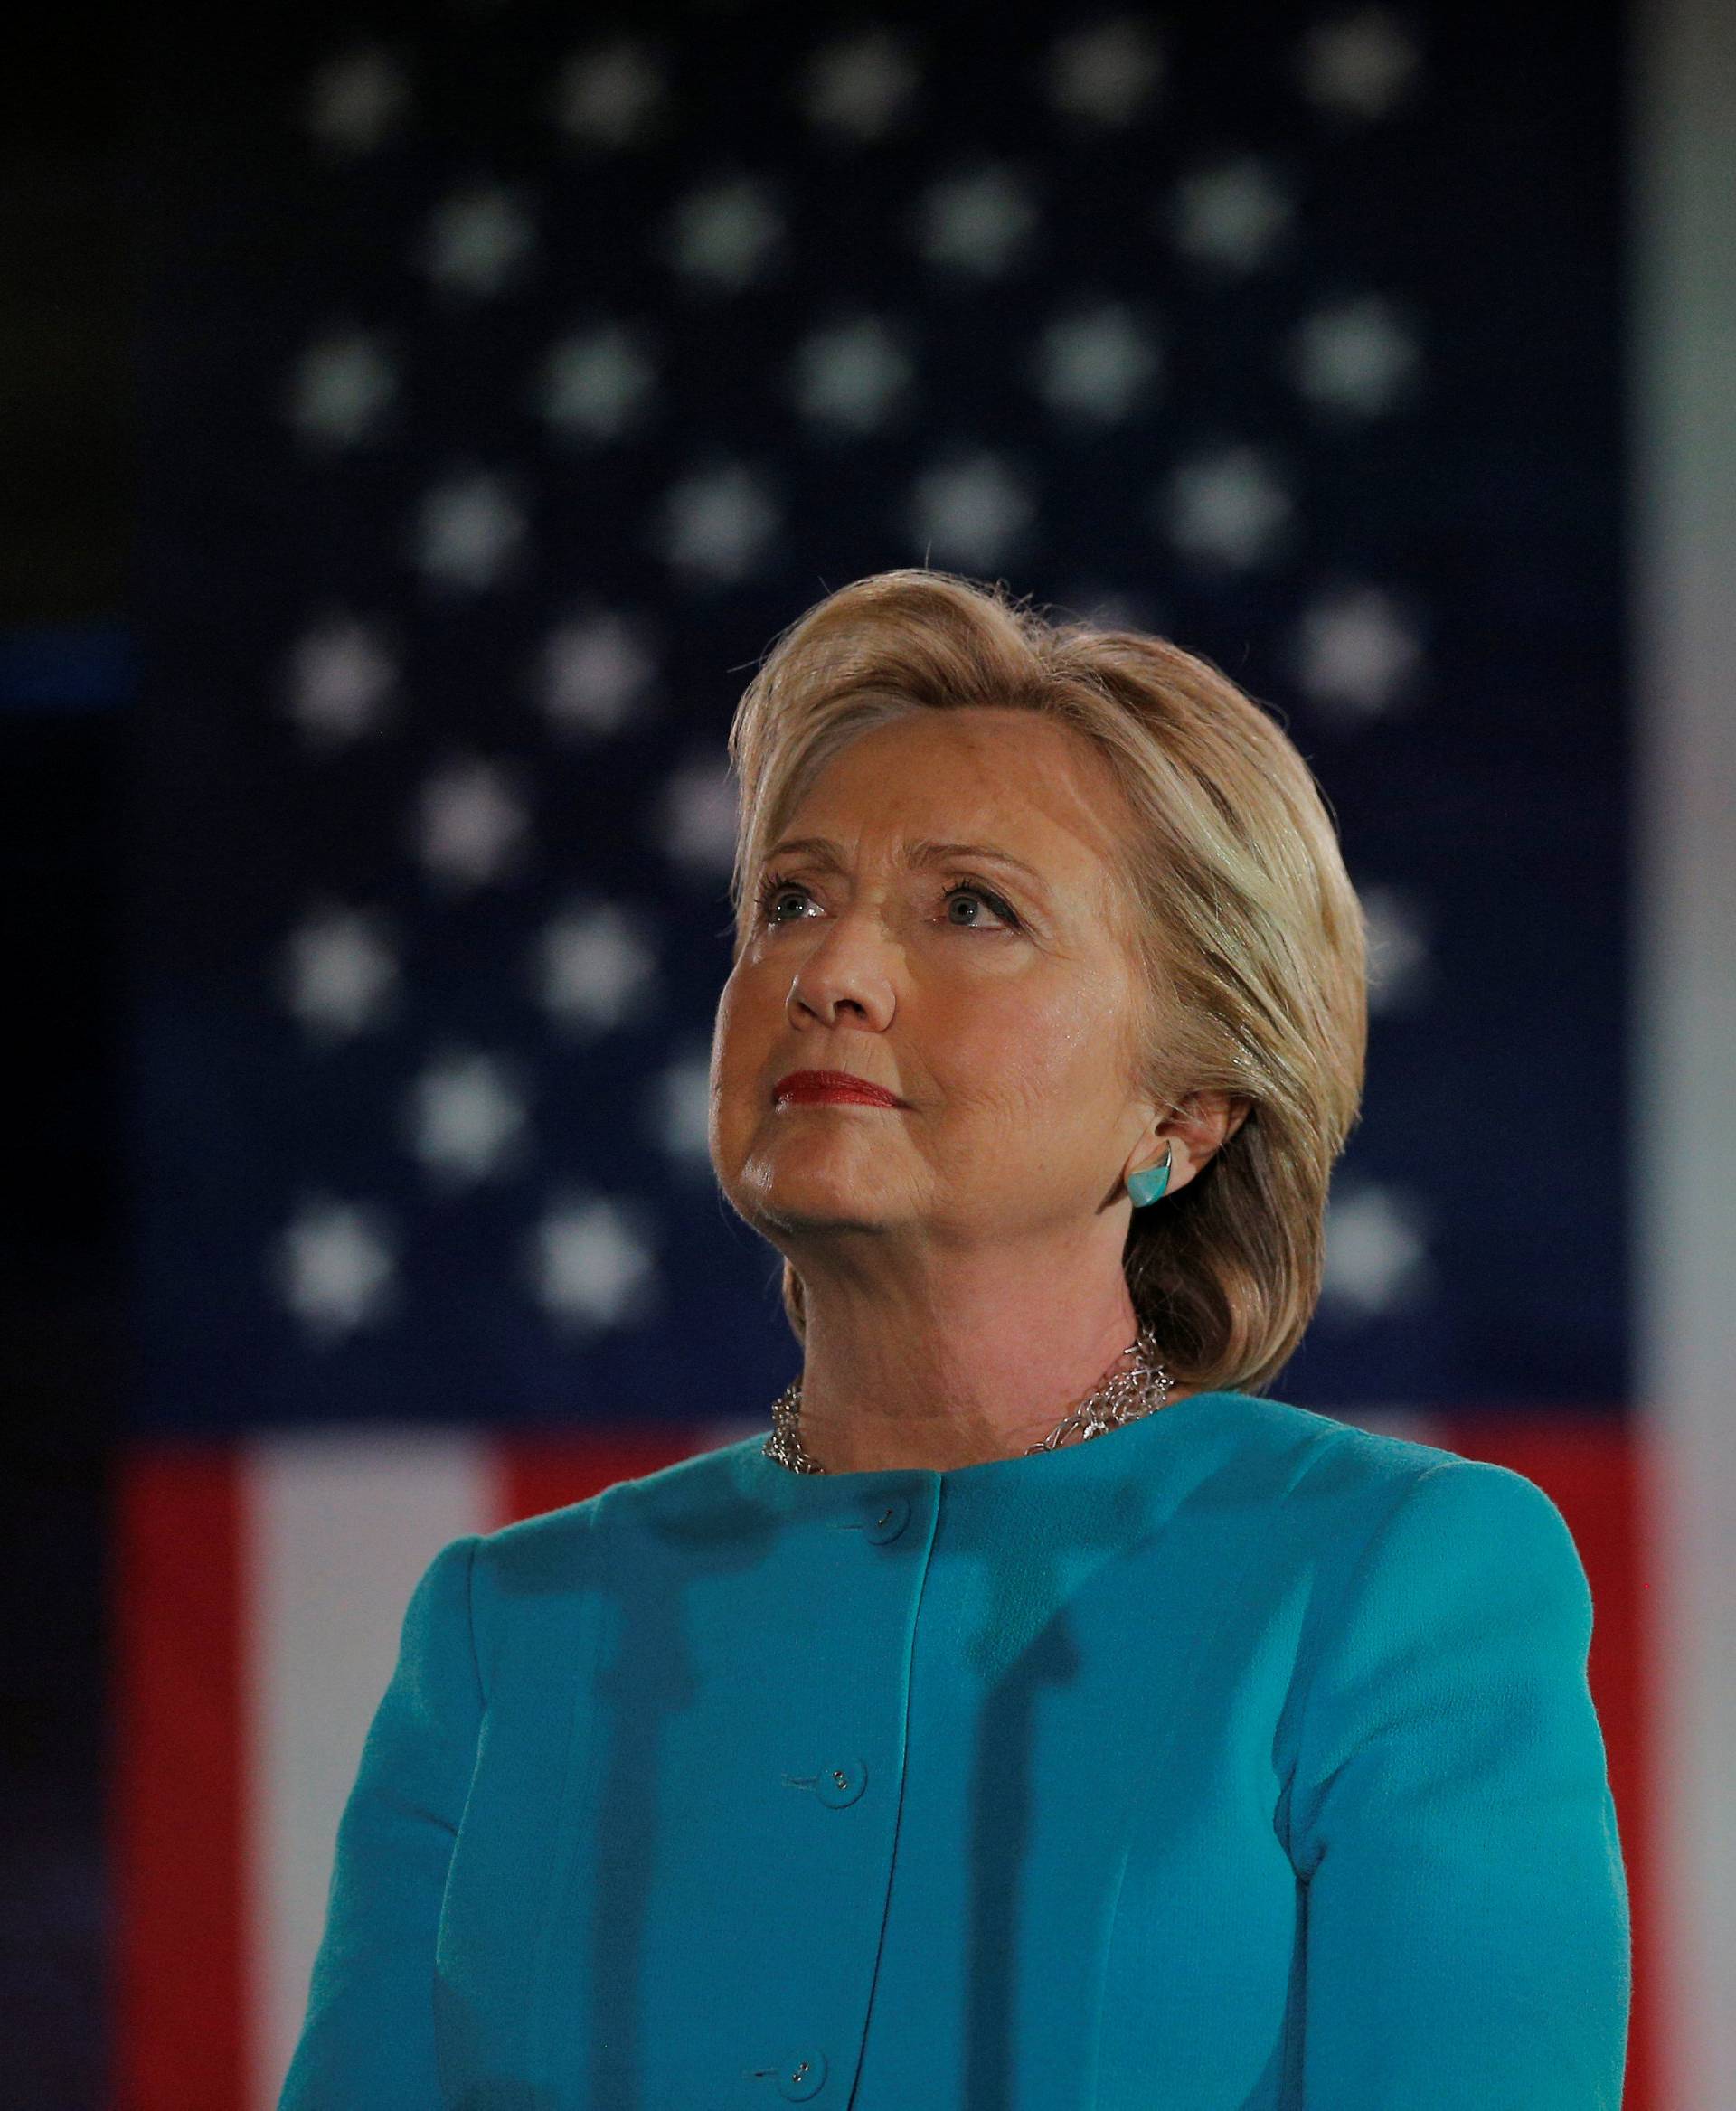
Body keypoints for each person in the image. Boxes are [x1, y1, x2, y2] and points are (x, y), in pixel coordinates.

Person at [279, 570, 1630, 2108]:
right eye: (791, 899)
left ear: (1183, 1113)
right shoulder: (500, 1630)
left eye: (971, 908)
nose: (829, 975)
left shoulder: (1389, 1577)